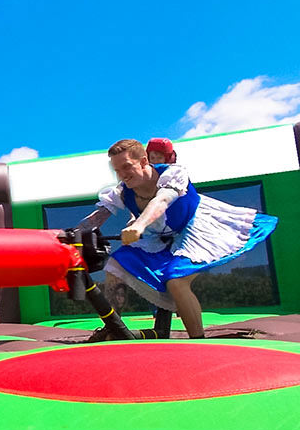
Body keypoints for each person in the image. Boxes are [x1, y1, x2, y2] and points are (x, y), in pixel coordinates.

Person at [77, 139, 277, 339]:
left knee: (176, 280)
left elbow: (162, 200)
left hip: (194, 230)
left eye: (127, 166)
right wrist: (70, 234)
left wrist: (139, 225)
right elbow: (98, 216)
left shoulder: (173, 174)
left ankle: (198, 340)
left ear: (144, 161)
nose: (122, 174)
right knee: (115, 265)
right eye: (117, 170)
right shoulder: (122, 191)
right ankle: (113, 328)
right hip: (158, 239)